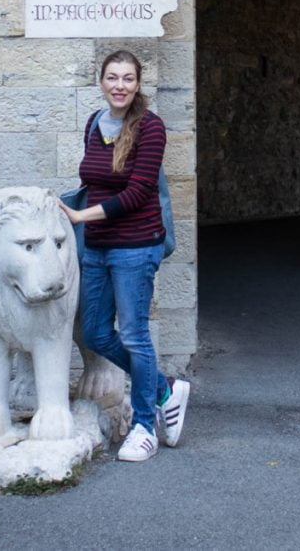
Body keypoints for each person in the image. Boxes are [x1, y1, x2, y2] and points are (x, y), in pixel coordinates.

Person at [59, 50, 190, 462]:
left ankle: (144, 426)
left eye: (128, 79)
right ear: (101, 81)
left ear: (138, 84)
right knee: (97, 332)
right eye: (112, 78)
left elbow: (136, 193)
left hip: (136, 245)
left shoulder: (150, 127)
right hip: (97, 245)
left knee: (134, 334)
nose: (119, 86)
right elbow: (93, 179)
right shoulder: (93, 124)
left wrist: (81, 215)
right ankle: (164, 389)